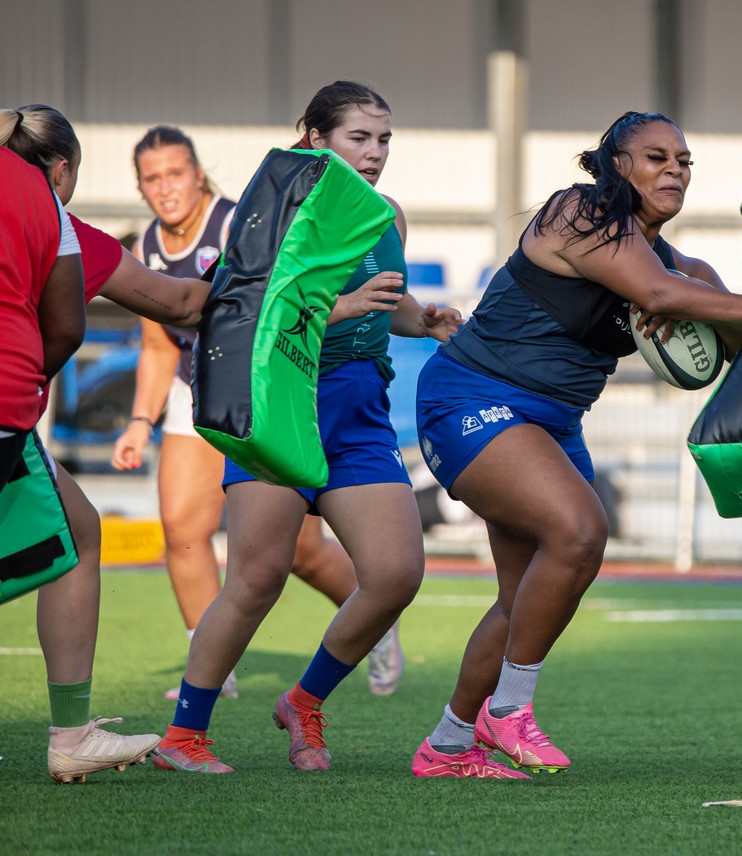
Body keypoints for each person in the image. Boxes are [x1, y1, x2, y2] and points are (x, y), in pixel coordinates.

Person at [409, 111, 742, 779]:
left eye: (684, 161)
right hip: (471, 396)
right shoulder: (579, 212)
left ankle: (447, 745)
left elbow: (740, 345)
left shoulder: (682, 268)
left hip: (554, 424)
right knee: (579, 529)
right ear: (617, 165)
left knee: (520, 602)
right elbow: (658, 292)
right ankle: (508, 710)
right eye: (656, 157)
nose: (675, 170)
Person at [152, 81, 462, 775]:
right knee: (257, 578)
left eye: (384, 139)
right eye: (360, 137)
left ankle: (303, 701)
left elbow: (386, 300)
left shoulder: (387, 214)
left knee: (395, 575)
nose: (376, 152)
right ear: (316, 138)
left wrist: (422, 320)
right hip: (284, 401)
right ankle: (184, 736)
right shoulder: (275, 211)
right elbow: (241, 311)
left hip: (358, 409)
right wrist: (341, 307)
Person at [109, 125, 405, 700]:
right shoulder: (148, 243)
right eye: (152, 178)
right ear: (140, 188)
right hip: (198, 389)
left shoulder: (238, 219)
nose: (165, 187)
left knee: (298, 553)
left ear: (199, 175)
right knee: (182, 530)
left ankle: (373, 618)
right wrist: (140, 421)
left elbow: (286, 303)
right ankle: (211, 671)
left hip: (270, 386)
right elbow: (157, 345)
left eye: (175, 173)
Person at [0, 103, 211, 782]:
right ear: (62, 170)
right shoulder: (50, 212)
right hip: (4, 402)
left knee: (79, 527)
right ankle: (69, 735)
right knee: (78, 540)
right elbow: (178, 305)